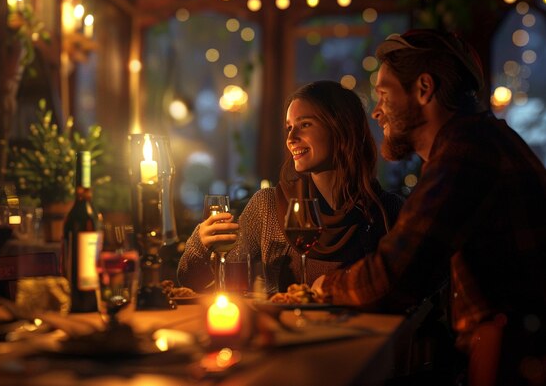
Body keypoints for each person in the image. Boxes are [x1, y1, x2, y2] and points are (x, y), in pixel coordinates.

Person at [318, 29, 546, 385]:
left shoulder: (466, 150)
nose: (376, 112)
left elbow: (393, 277)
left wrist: (319, 288)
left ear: (424, 88)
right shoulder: (481, 138)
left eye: (383, 93)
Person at [178, 80, 404, 294]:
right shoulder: (268, 206)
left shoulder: (387, 212)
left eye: (305, 124)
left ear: (341, 129)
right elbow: (197, 281)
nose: (291, 138)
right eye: (289, 128)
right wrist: (202, 244)